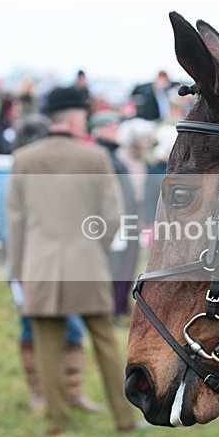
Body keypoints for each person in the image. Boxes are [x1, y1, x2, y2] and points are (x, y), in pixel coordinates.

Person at [7, 87, 137, 435]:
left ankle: (56, 421)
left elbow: (15, 222)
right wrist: (97, 249)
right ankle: (124, 419)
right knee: (106, 343)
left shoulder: (23, 160)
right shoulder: (94, 159)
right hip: (87, 262)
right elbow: (112, 218)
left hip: (40, 265)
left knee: (46, 346)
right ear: (76, 117)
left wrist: (18, 268)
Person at [0, 113, 102, 412]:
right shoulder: (13, 176)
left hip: (66, 263)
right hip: (31, 265)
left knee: (74, 326)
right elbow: (0, 223)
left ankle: (72, 391)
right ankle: (40, 392)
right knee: (32, 328)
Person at [90, 110, 139, 323]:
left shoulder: (112, 155)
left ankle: (119, 308)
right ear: (100, 130)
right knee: (113, 267)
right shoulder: (100, 154)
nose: (115, 131)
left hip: (126, 220)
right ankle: (109, 311)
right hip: (112, 221)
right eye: (111, 127)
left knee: (125, 266)